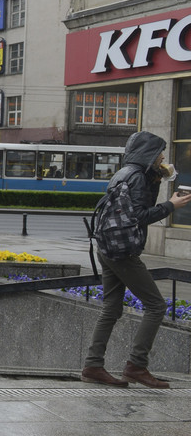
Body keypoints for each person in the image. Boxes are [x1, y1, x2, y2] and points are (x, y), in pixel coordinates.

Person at [81, 131, 191, 388]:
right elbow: (140, 215)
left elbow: (129, 208)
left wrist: (158, 176)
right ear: (149, 154)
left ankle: (93, 365)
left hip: (106, 247)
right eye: (160, 153)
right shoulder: (137, 177)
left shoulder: (125, 172)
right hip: (123, 252)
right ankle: (136, 366)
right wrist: (172, 205)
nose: (163, 156)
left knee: (111, 308)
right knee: (156, 306)